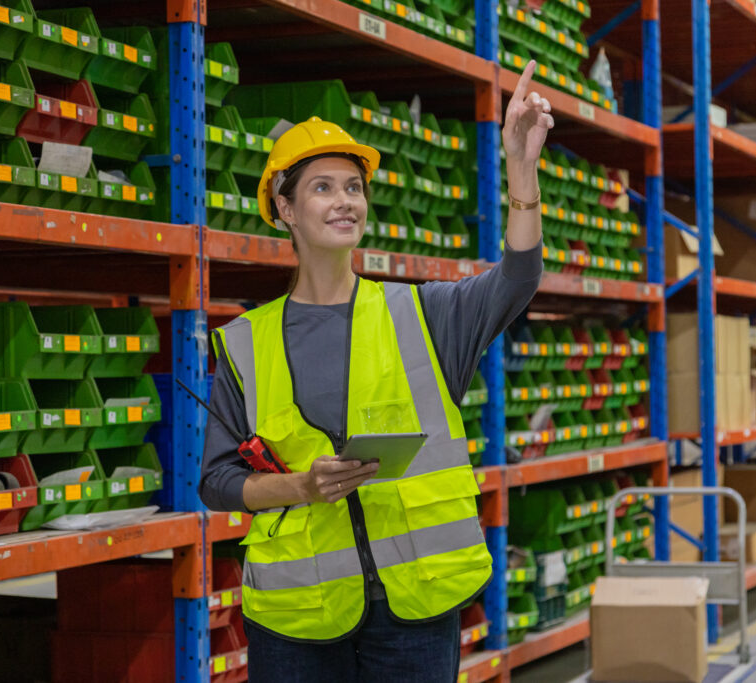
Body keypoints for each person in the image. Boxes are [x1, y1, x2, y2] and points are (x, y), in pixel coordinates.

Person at [199, 62, 552, 682]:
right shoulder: (244, 343)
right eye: (322, 187)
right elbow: (218, 481)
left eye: (354, 187)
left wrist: (521, 166)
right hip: (299, 613)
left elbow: (517, 277)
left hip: (415, 602)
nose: (345, 201)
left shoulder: (423, 312)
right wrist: (301, 487)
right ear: (283, 207)